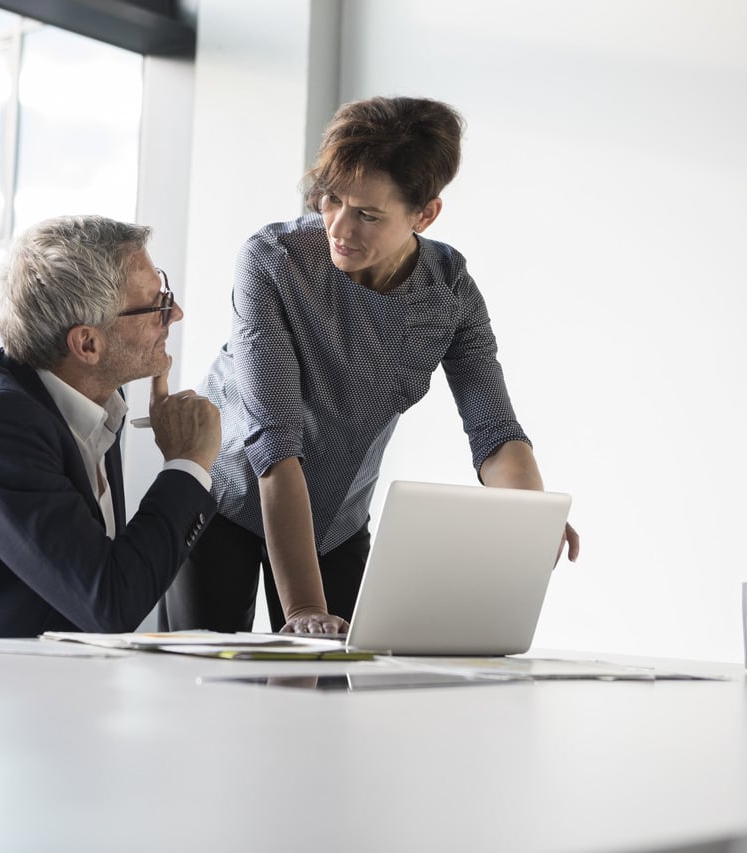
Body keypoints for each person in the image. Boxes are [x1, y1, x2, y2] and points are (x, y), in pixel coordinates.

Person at [159, 95, 580, 636]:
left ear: (424, 214)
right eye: (330, 200)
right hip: (225, 497)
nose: (338, 226)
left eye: (368, 215)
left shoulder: (449, 293)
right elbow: (275, 442)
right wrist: (305, 609)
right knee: (205, 686)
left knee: (338, 695)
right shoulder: (272, 261)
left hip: (337, 517)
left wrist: (530, 519)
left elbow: (494, 431)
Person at [0, 214, 220, 639]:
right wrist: (187, 465)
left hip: (46, 677)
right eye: (157, 307)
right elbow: (110, 602)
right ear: (87, 344)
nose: (176, 313)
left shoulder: (98, 394)